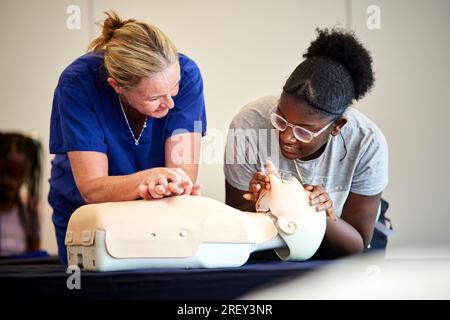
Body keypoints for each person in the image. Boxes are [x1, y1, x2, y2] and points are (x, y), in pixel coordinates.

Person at [49, 11, 207, 263]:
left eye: (174, 88)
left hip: (155, 212)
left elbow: (182, 173)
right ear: (116, 86)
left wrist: (175, 185)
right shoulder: (77, 84)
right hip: (88, 214)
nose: (169, 103)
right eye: (154, 97)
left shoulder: (186, 74)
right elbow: (93, 188)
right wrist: (150, 179)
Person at [224, 28, 388, 258]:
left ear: (337, 126)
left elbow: (357, 245)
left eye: (304, 131)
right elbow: (233, 229)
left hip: (339, 240)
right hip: (274, 241)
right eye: (280, 119)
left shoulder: (367, 142)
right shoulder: (249, 124)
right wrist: (260, 203)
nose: (286, 137)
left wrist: (321, 213)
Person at [0, 132, 41, 256]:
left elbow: (33, 259)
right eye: (6, 173)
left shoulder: (30, 212)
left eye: (20, 176)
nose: (12, 184)